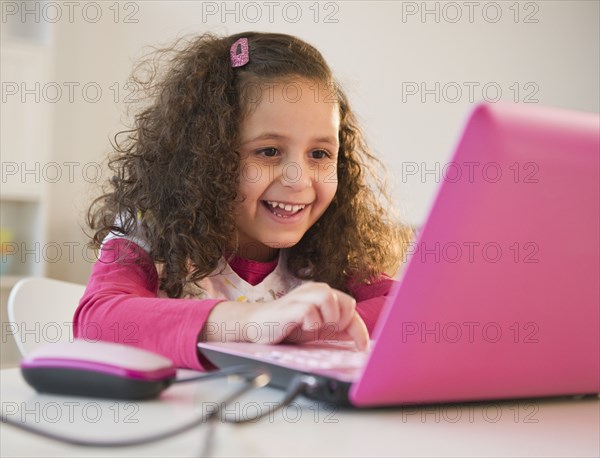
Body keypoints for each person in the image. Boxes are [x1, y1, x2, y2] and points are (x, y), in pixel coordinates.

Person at [74, 32, 412, 370]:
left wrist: (307, 327)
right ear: (207, 158)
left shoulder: (328, 246)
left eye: (320, 154)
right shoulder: (151, 231)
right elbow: (97, 320)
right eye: (268, 151)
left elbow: (409, 304)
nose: (298, 180)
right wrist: (254, 322)